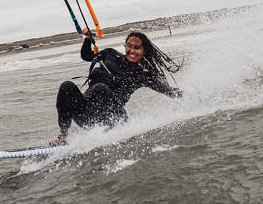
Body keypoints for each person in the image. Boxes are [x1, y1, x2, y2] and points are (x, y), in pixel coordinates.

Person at [49, 28, 182, 146]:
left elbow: (168, 91)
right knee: (67, 86)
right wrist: (88, 39)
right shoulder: (110, 55)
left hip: (113, 117)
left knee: (100, 88)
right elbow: (86, 55)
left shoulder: (143, 74)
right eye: (129, 46)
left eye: (137, 47)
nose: (132, 51)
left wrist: (193, 95)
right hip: (86, 114)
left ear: (144, 51)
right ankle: (62, 136)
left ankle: (111, 133)